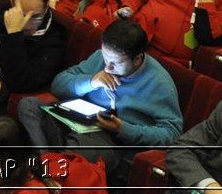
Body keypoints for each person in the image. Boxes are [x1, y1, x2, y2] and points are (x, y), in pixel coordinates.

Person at [17, 18, 182, 184]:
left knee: (86, 149)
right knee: (28, 105)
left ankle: (48, 168)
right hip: (78, 121)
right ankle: (48, 168)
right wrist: (91, 81)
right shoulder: (101, 59)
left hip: (112, 141)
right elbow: (58, 84)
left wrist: (123, 129)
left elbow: (172, 134)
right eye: (105, 59)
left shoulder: (159, 83)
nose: (107, 68)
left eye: (115, 63)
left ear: (137, 59)